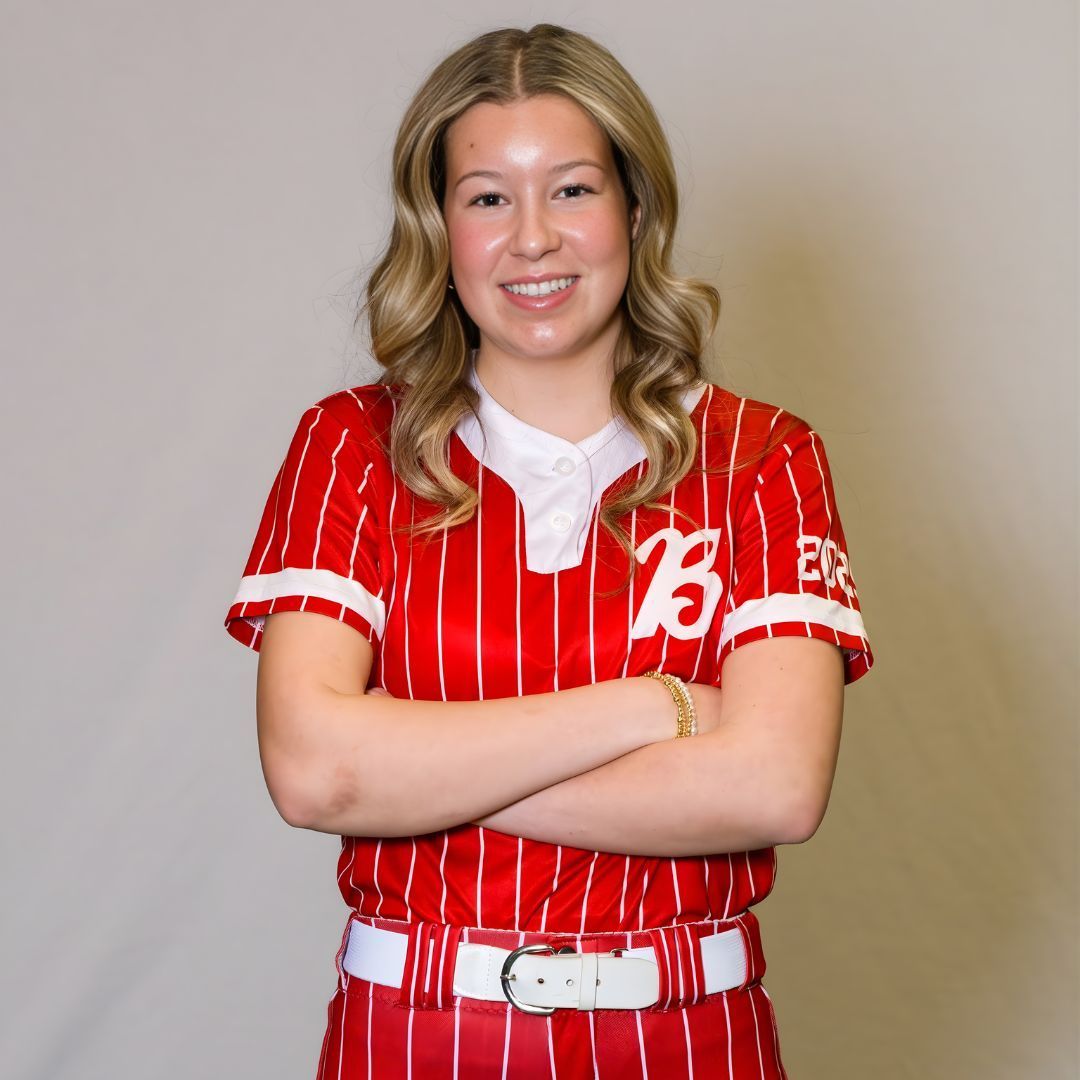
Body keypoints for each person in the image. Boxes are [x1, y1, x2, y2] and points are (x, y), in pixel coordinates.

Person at [223, 22, 874, 1079]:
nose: (533, 238)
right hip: (416, 1027)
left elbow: (775, 788)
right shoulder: (350, 446)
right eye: (488, 198)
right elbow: (311, 773)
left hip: (688, 1032)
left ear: (635, 208)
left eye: (571, 189)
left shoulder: (763, 457)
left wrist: (409, 764)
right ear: (440, 229)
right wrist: (653, 706)